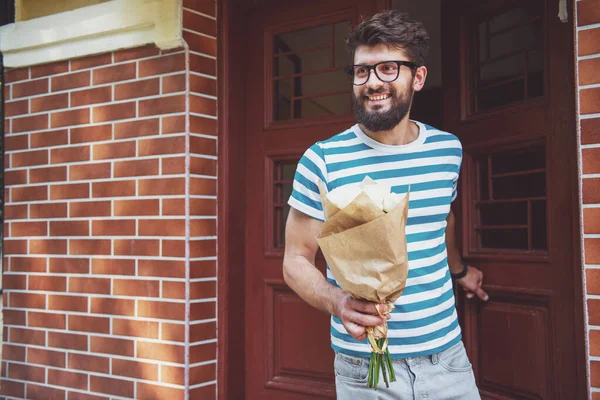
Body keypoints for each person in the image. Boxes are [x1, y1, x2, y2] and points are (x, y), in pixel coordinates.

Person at [283, 9, 488, 400]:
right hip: (366, 369)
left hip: (447, 359)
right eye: (362, 71)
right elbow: (295, 259)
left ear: (419, 77)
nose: (372, 82)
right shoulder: (322, 159)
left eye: (388, 69)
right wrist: (339, 301)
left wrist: (459, 270)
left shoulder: (448, 151)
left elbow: (443, 219)